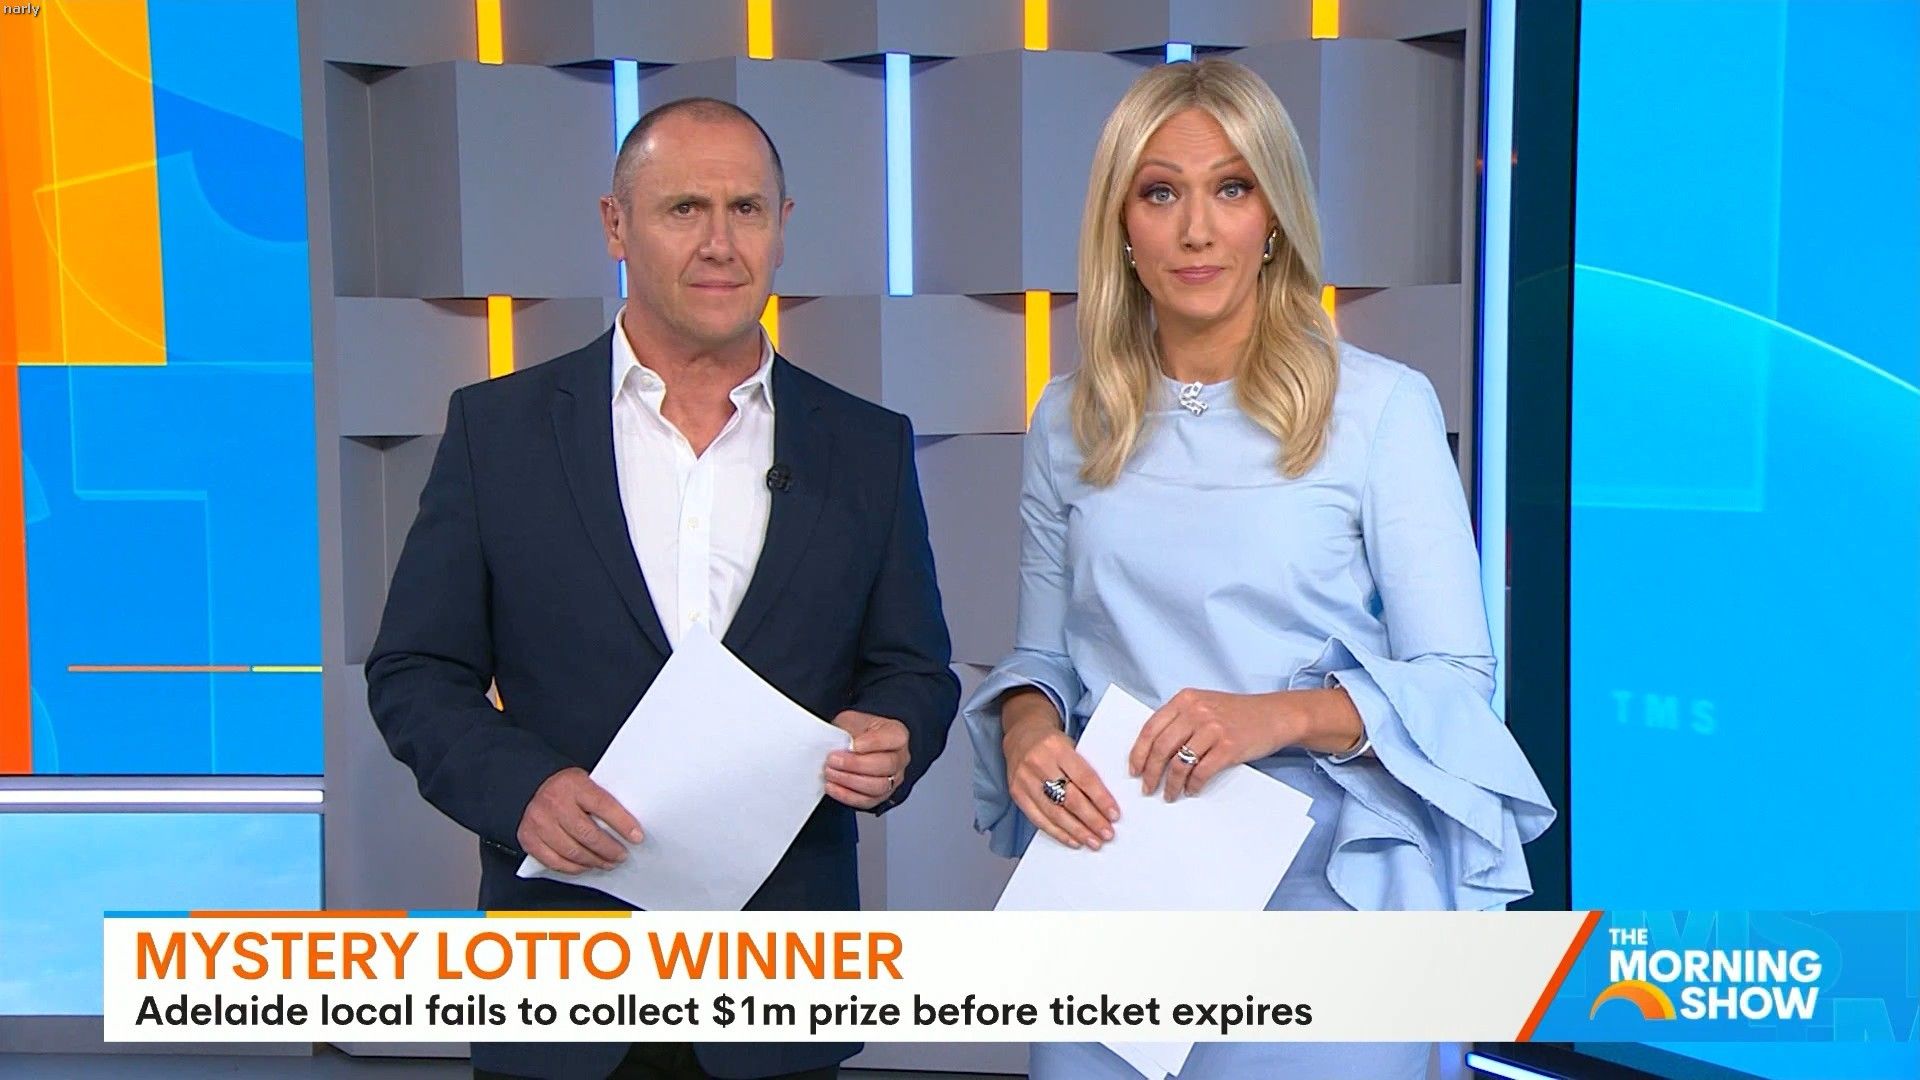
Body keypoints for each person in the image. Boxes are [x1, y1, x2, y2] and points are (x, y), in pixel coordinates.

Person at [962, 59, 1555, 1079]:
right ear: (1121, 226)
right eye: (1161, 193)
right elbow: (1042, 656)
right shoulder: (1068, 418)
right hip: (1120, 882)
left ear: (1273, 217)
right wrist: (1025, 731)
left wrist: (1272, 716)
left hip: (1326, 890)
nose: (1197, 230)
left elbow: (1457, 683)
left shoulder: (1380, 408)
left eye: (1231, 189)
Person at [367, 97, 959, 1080]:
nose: (720, 243)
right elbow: (416, 673)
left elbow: (915, 671)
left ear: (782, 227)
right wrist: (521, 792)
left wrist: (896, 736)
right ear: (616, 225)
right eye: (684, 208)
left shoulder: (866, 445)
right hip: (561, 974)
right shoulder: (498, 431)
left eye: (746, 209)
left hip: (778, 986)